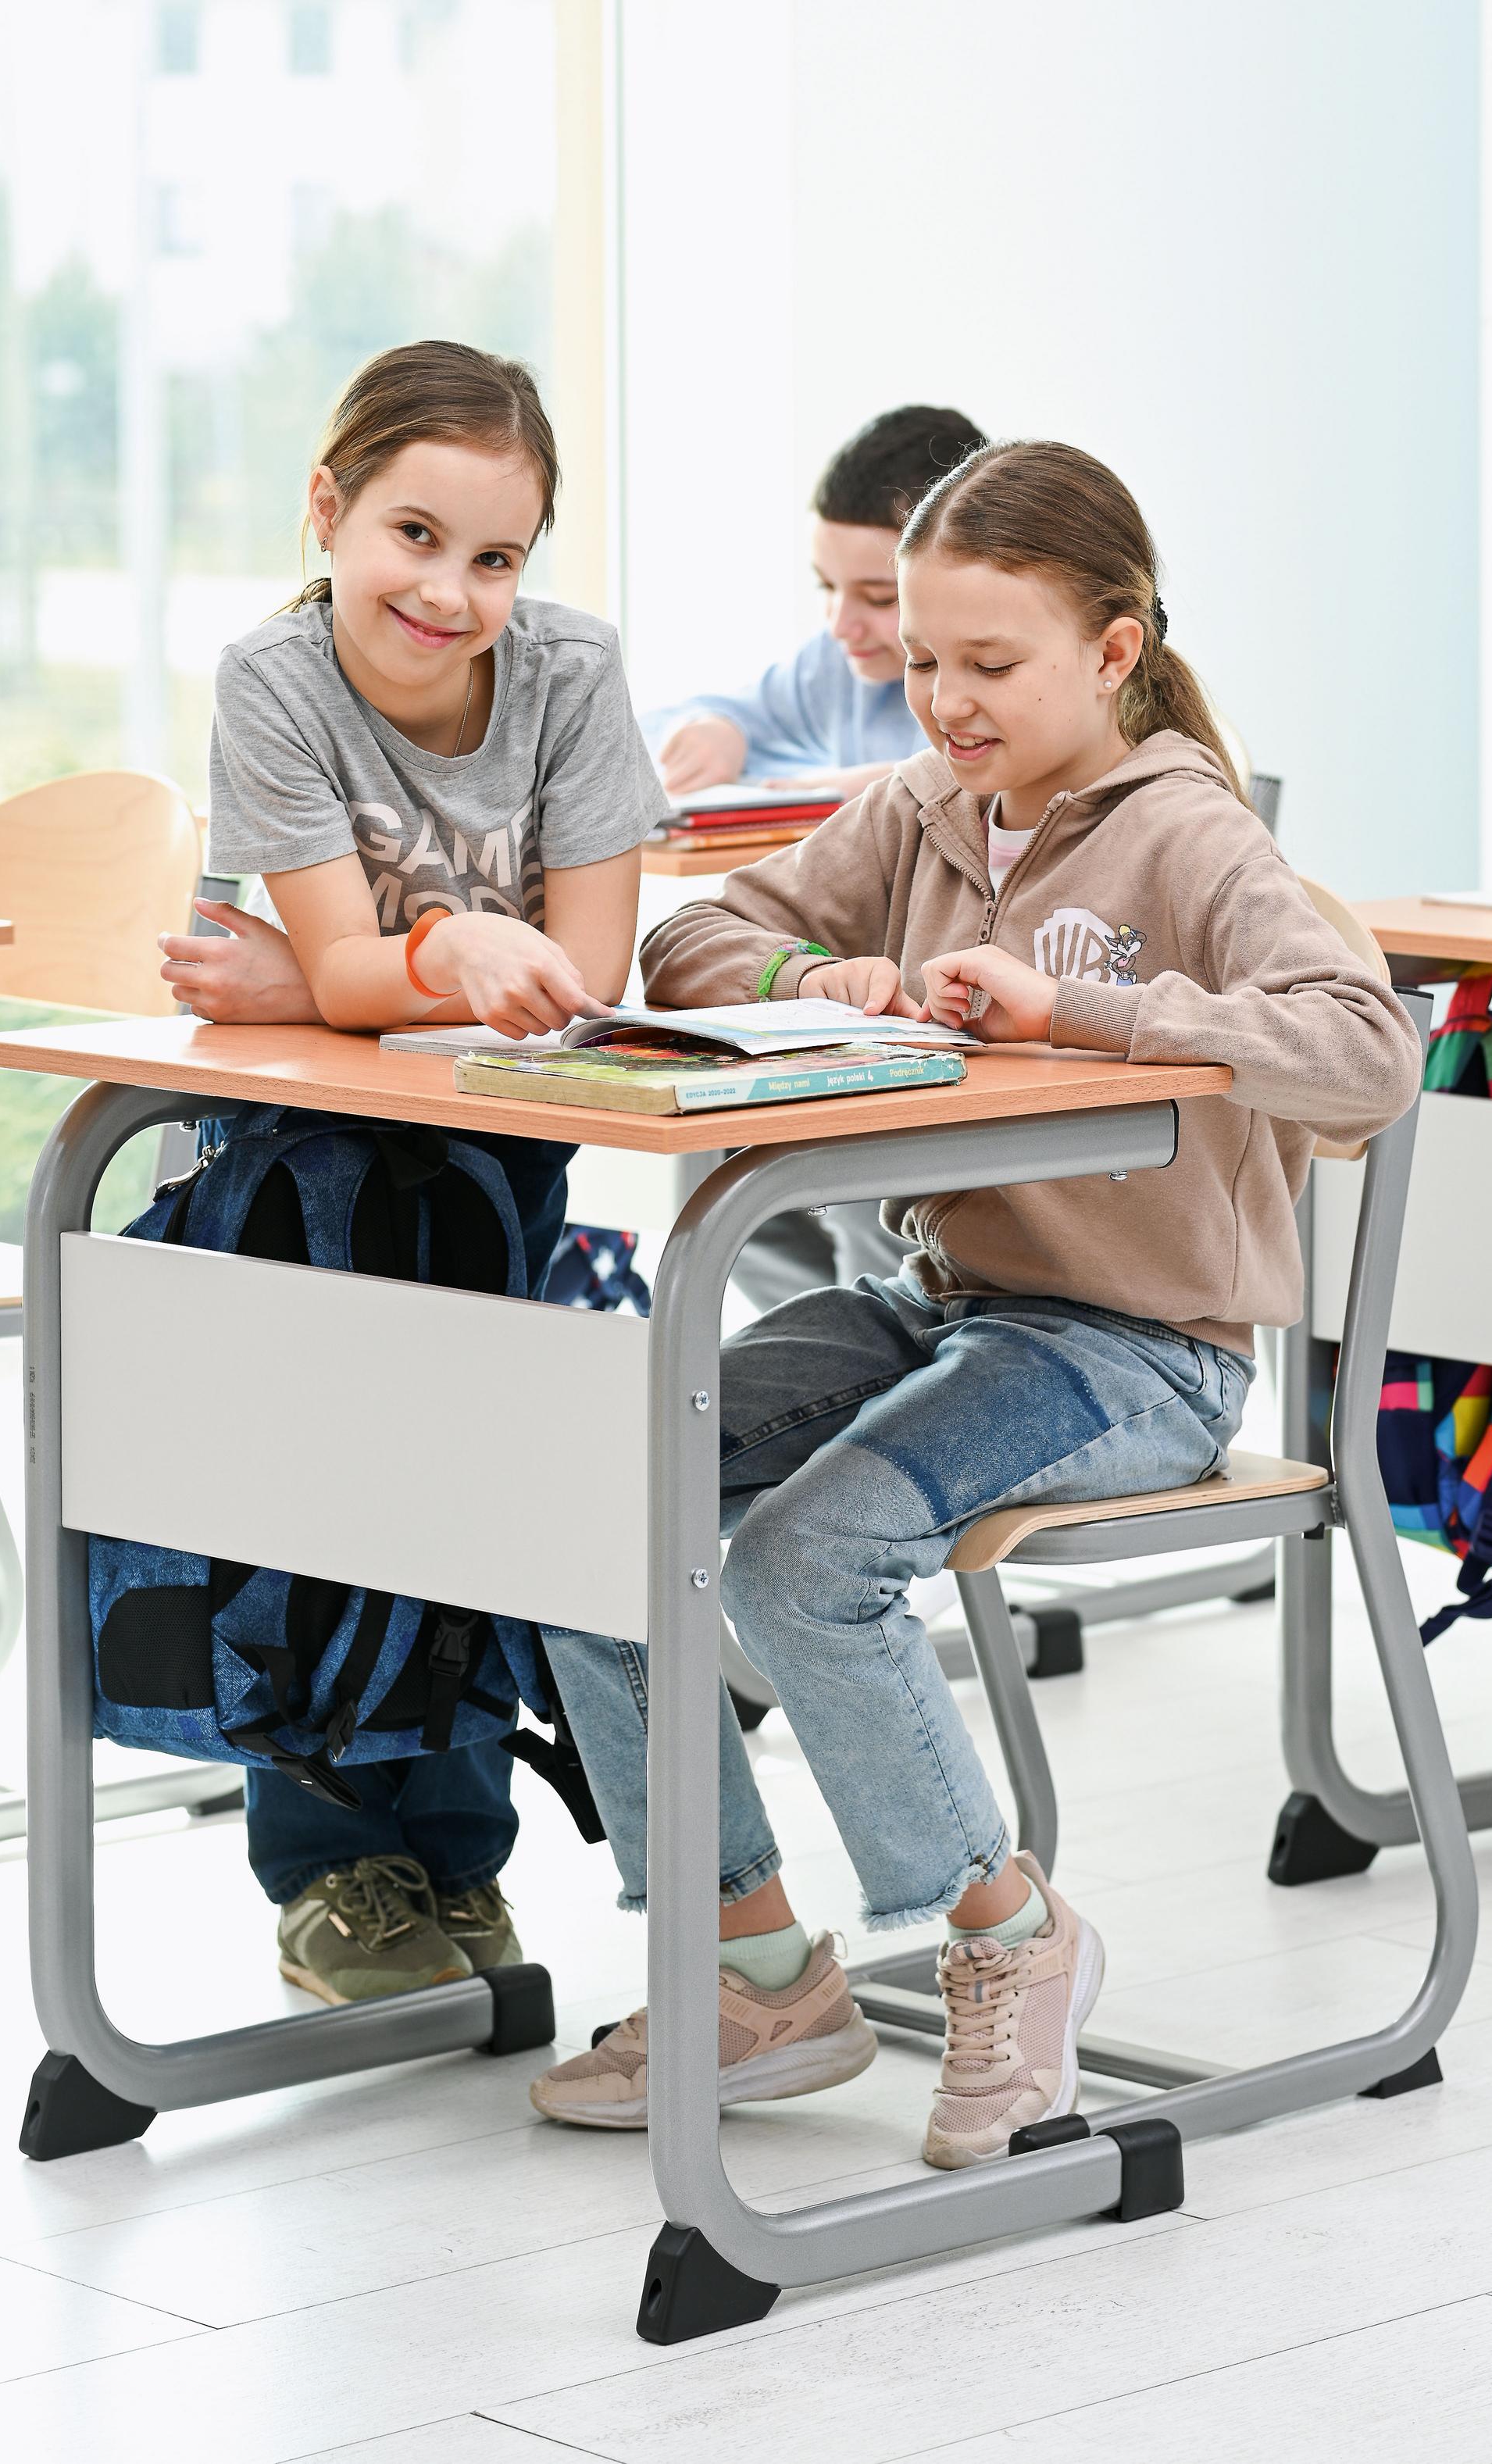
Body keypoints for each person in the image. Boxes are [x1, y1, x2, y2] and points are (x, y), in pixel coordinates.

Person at [529, 438, 1423, 2165]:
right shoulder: (920, 809)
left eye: (987, 663)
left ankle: (1014, 1936)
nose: (940, 696)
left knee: (809, 1553)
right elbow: (695, 946)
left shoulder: (1190, 838)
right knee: (592, 1508)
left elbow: (1365, 1054)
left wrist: (1087, 1014)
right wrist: (819, 973)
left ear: (1111, 645)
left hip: (1128, 1349)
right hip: (932, 1306)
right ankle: (756, 1966)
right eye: (924, 659)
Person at [161, 338, 666, 2005]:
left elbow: (581, 976)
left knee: (480, 1494)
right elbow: (366, 969)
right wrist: (413, 957)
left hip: (493, 1147)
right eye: (412, 535)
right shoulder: (274, 681)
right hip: (300, 1157)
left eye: (495, 557)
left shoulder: (574, 677)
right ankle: (329, 1870)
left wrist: (344, 973)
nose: (448, 589)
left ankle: (453, 1860)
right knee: (308, 1495)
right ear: (329, 510)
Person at [658, 404, 987, 1313]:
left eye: (880, 599)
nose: (846, 624)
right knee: (717, 1163)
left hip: (936, 1082)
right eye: (828, 590)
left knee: (856, 1196)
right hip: (847, 1022)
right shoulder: (834, 673)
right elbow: (687, 940)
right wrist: (719, 729)